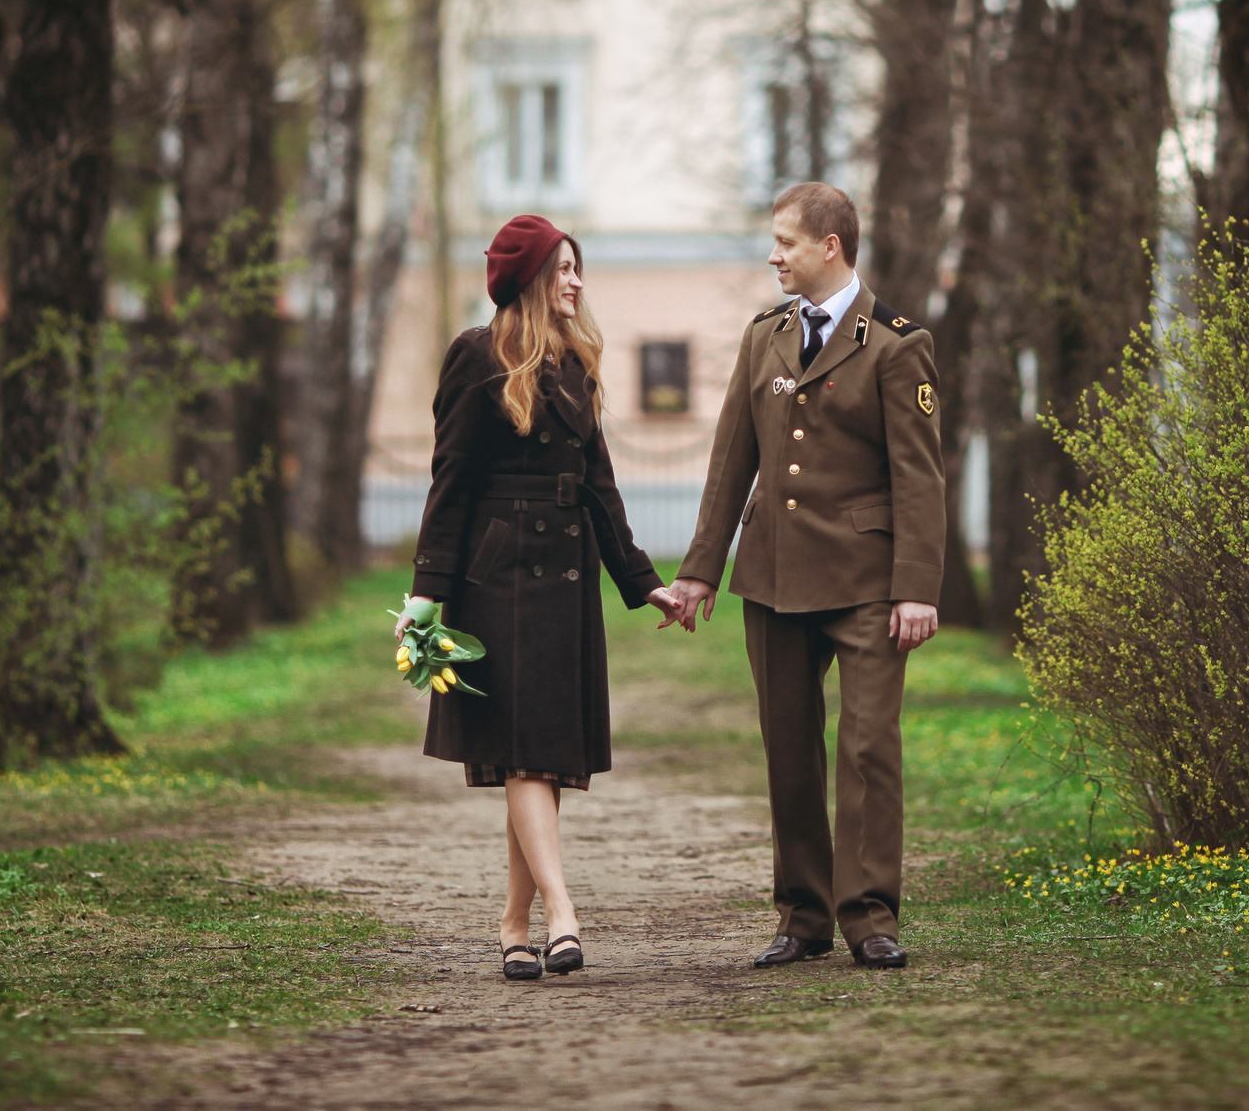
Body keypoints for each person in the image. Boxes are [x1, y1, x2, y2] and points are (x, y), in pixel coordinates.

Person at [398, 214, 691, 982]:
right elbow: (450, 484)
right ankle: (563, 910)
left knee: (542, 758)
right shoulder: (475, 356)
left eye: (577, 267)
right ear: (528, 278)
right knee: (527, 752)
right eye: (562, 268)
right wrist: (428, 597)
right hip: (496, 579)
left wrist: (641, 579)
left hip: (566, 578)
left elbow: (600, 487)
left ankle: (513, 924)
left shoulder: (575, 364)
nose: (576, 281)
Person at [666, 181, 945, 969]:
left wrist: (917, 586)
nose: (773, 254)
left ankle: (869, 915)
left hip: (867, 580)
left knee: (867, 749)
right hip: (776, 574)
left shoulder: (896, 344)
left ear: (831, 246)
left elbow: (919, 478)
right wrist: (698, 573)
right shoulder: (765, 336)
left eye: (785, 241)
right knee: (788, 748)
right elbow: (732, 462)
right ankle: (803, 915)